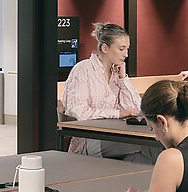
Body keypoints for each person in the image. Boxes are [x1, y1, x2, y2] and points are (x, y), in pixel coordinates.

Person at [62, 22, 157, 163]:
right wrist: (118, 113)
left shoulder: (117, 73)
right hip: (91, 140)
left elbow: (136, 109)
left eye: (127, 49)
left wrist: (123, 79)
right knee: (154, 144)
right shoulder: (82, 70)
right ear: (105, 48)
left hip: (117, 137)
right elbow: (79, 112)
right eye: (121, 49)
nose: (126, 54)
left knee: (141, 159)